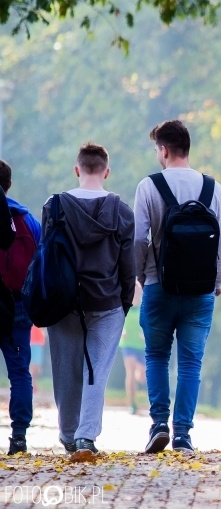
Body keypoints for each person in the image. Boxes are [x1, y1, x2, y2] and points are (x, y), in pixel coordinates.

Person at [134, 119, 221, 453]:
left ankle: (159, 424)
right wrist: (217, 282)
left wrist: (141, 276)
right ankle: (183, 435)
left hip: (159, 286)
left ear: (164, 150)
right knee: (190, 363)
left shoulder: (149, 186)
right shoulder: (213, 188)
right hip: (200, 291)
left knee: (157, 356)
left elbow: (138, 239)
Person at [45, 142, 135, 461]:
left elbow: (45, 257)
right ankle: (86, 436)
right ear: (106, 172)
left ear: (77, 169)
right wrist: (124, 303)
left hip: (63, 302)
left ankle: (69, 434)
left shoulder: (54, 206)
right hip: (107, 302)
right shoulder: (122, 211)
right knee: (96, 372)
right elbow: (128, 264)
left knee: (66, 370)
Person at [0, 160, 41, 455]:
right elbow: (40, 262)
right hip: (18, 305)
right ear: (9, 184)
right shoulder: (28, 220)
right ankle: (19, 436)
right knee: (19, 372)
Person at [119, 282, 146, 414]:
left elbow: (151, 323)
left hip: (141, 345)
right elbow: (117, 322)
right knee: (130, 371)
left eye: (138, 290)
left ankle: (137, 377)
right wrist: (122, 331)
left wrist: (146, 333)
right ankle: (132, 404)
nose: (137, 293)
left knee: (142, 376)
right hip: (128, 343)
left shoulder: (144, 307)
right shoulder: (124, 306)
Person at [29, 325, 47, 394]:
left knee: (36, 368)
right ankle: (32, 386)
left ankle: (33, 385)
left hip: (37, 343)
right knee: (35, 367)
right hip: (35, 342)